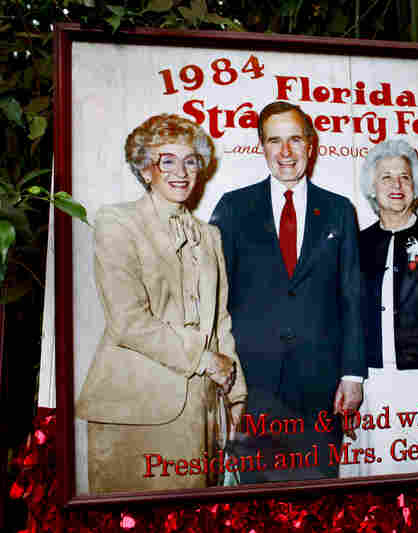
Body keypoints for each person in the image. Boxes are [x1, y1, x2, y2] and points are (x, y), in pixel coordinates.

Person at [75, 114, 247, 493]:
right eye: (166, 160)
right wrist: (204, 360)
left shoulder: (210, 235)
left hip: (202, 410)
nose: (180, 172)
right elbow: (128, 320)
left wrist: (236, 397)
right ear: (145, 169)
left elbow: (220, 322)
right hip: (134, 410)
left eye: (190, 161)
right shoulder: (117, 222)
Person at [210, 101, 365, 482]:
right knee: (253, 504)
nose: (285, 152)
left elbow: (352, 296)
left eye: (295, 139)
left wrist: (353, 375)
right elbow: (215, 296)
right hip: (252, 383)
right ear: (261, 147)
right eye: (274, 140)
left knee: (316, 500)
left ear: (310, 146)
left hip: (320, 385)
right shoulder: (233, 207)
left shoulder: (339, 210)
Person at [340, 139, 418, 477]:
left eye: (404, 177)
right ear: (371, 187)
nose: (396, 185)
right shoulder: (357, 243)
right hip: (371, 386)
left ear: (416, 185)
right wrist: (347, 386)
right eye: (386, 177)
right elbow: (345, 318)